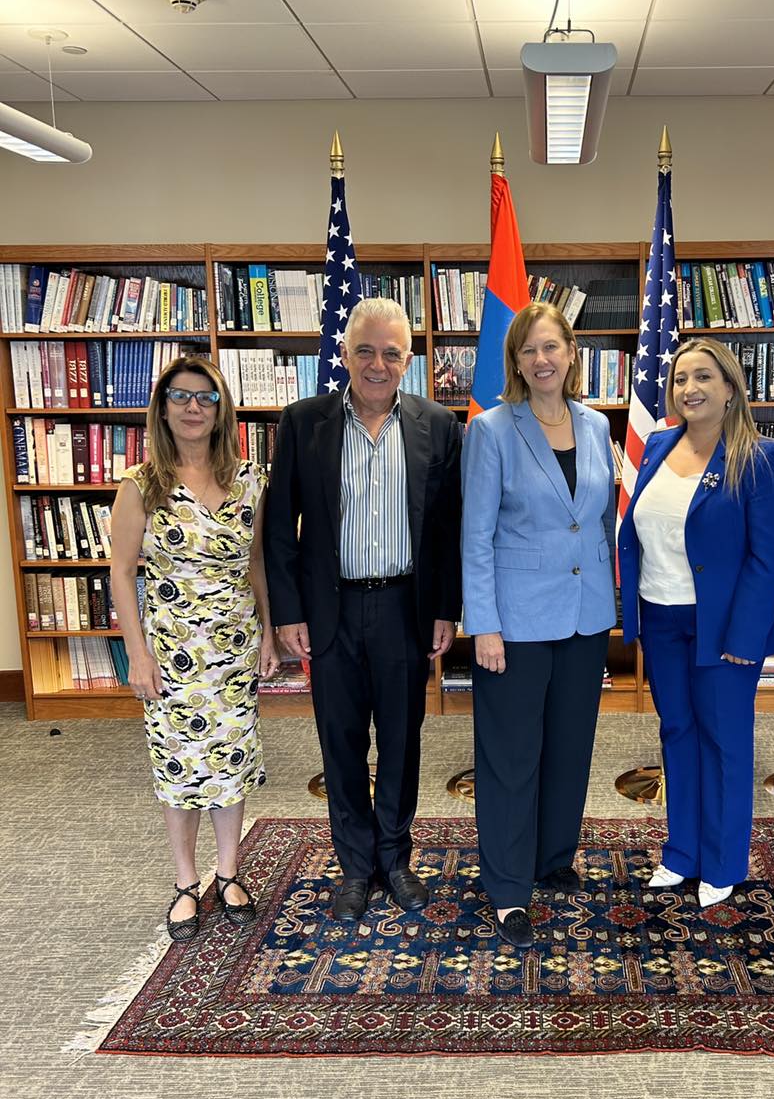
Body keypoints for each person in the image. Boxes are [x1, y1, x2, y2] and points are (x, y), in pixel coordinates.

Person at [264, 298, 462, 923]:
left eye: (392, 354)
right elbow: (279, 526)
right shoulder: (304, 422)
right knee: (341, 741)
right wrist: (288, 612)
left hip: (406, 607)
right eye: (366, 351)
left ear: (409, 360)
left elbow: (448, 528)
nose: (378, 365)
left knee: (402, 739)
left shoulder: (438, 424)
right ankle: (355, 867)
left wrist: (446, 608)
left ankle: (395, 860)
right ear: (345, 354)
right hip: (332, 610)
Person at [618, 339, 774, 906]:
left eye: (702, 377)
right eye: (679, 379)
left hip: (723, 624)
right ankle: (682, 853)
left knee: (724, 740)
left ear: (730, 389)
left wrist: (746, 637)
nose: (688, 389)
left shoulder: (762, 458)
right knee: (677, 731)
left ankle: (722, 861)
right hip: (660, 615)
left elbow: (767, 558)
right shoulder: (659, 445)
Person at [462, 303, 616, 949]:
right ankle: (507, 888)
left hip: (585, 617)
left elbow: (599, 522)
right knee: (511, 757)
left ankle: (553, 856)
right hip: (515, 623)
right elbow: (476, 535)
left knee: (569, 747)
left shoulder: (597, 425)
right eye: (529, 350)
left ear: (571, 352)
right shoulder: (492, 430)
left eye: (551, 346)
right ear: (516, 362)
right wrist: (483, 624)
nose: (542, 359)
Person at [112, 356, 278, 942]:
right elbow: (121, 573)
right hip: (171, 654)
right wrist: (136, 654)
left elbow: (256, 562)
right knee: (179, 768)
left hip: (234, 648)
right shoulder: (141, 485)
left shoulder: (251, 480)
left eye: (206, 398)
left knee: (230, 763)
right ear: (162, 408)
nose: (193, 407)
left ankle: (228, 873)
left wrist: (269, 632)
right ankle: (186, 881)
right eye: (181, 396)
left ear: (220, 410)